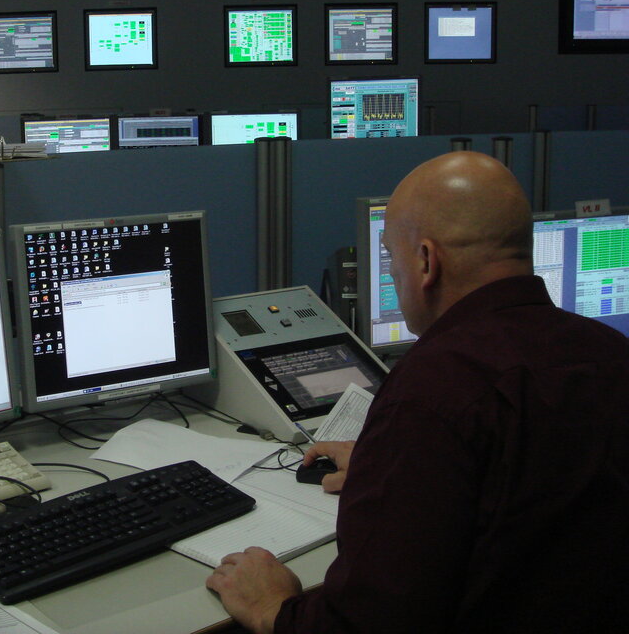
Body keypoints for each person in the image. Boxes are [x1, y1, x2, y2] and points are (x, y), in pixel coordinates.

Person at [206, 151, 629, 633]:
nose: (392, 272)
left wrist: (272, 608)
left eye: (390, 255)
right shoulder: (608, 351)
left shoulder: (433, 390)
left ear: (426, 261)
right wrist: (396, 467)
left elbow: (369, 622)